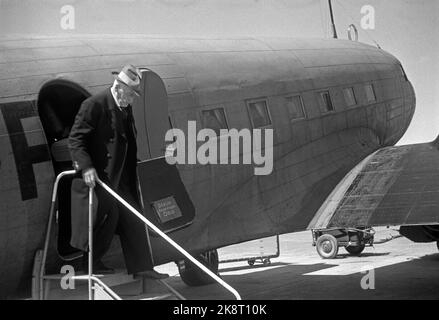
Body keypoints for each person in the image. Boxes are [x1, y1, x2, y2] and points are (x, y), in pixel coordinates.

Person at [68, 64, 168, 279]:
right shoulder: (93, 105)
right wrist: (86, 167)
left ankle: (142, 267)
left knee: (133, 216)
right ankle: (91, 262)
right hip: (101, 177)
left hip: (121, 174)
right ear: (118, 86)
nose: (132, 99)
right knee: (107, 216)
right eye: (131, 94)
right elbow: (75, 140)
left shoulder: (123, 105)